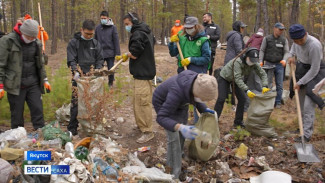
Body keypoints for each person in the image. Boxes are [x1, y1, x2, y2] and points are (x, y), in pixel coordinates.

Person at [152, 70, 217, 180]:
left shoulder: (197, 82)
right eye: (203, 99)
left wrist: (204, 109)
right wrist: (180, 127)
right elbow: (161, 117)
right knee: (173, 138)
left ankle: (180, 154)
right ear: (194, 93)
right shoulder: (176, 92)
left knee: (183, 128)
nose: (203, 100)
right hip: (163, 104)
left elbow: (198, 98)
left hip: (181, 104)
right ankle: (173, 174)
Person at [0, 19, 51, 130]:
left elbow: (40, 65)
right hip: (15, 84)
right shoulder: (7, 41)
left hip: (33, 83)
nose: (31, 39)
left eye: (33, 37)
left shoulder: (36, 43)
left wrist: (45, 80)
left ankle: (40, 132)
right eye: (29, 37)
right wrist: (0, 85)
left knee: (38, 109)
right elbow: (1, 64)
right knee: (17, 114)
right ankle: (18, 136)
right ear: (23, 32)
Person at [115, 12, 156, 143]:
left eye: (127, 24)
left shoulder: (138, 33)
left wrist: (127, 54)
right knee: (138, 102)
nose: (127, 27)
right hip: (143, 73)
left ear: (134, 21)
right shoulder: (145, 30)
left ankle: (147, 131)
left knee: (143, 103)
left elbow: (135, 52)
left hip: (143, 74)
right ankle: (142, 126)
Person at [214, 48, 269, 128]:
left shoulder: (254, 63)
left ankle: (238, 122)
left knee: (242, 99)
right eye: (251, 60)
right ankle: (214, 120)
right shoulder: (238, 62)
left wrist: (265, 85)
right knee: (221, 99)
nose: (252, 62)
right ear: (246, 57)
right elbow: (238, 78)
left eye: (254, 61)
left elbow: (262, 73)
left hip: (236, 80)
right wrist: (247, 90)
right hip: (225, 78)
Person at [288, 24, 325, 142]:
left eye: (301, 40)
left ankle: (307, 135)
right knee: (301, 103)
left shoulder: (314, 45)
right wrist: (290, 56)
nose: (298, 42)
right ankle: (302, 128)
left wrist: (300, 82)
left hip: (316, 72)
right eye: (296, 41)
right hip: (302, 69)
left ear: (305, 34)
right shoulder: (296, 41)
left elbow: (314, 69)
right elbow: (292, 50)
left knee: (309, 104)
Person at [67, 19, 104, 136]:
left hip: (92, 77)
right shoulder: (74, 43)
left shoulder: (96, 44)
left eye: (91, 34)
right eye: (87, 33)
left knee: (92, 101)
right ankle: (72, 127)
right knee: (76, 102)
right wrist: (75, 71)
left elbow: (100, 59)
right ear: (81, 30)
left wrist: (98, 69)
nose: (89, 36)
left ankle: (91, 126)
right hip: (78, 77)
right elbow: (71, 59)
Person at [259, 23, 290, 108]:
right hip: (268, 64)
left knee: (279, 85)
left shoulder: (284, 40)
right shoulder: (267, 39)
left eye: (282, 30)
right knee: (268, 83)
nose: (281, 31)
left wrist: (284, 59)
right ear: (274, 29)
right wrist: (260, 61)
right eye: (280, 29)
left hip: (279, 65)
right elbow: (262, 50)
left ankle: (278, 102)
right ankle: (268, 101)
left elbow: (287, 52)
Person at [95, 11, 120, 87]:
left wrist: (117, 53)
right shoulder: (98, 28)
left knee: (111, 69)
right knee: (98, 69)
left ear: (108, 18)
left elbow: (116, 41)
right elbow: (95, 40)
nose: (103, 20)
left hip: (110, 53)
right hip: (100, 53)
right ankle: (99, 83)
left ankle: (110, 83)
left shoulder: (113, 27)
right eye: (101, 18)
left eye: (104, 18)